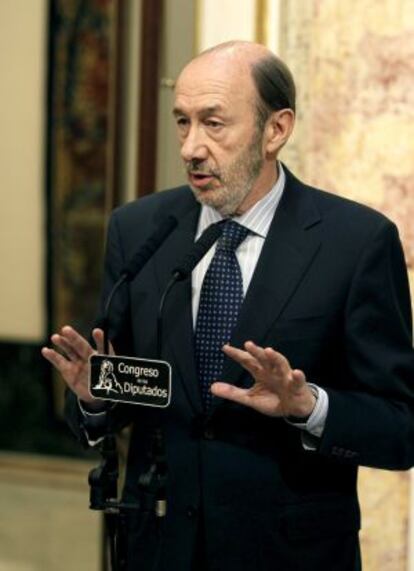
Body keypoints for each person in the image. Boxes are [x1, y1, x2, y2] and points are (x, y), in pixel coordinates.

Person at [42, 41, 414, 571]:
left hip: (289, 554)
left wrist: (309, 405)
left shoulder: (355, 243)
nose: (191, 147)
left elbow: (402, 428)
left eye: (213, 124)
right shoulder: (141, 229)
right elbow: (131, 387)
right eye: (182, 122)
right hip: (159, 549)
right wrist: (94, 399)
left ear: (275, 130)